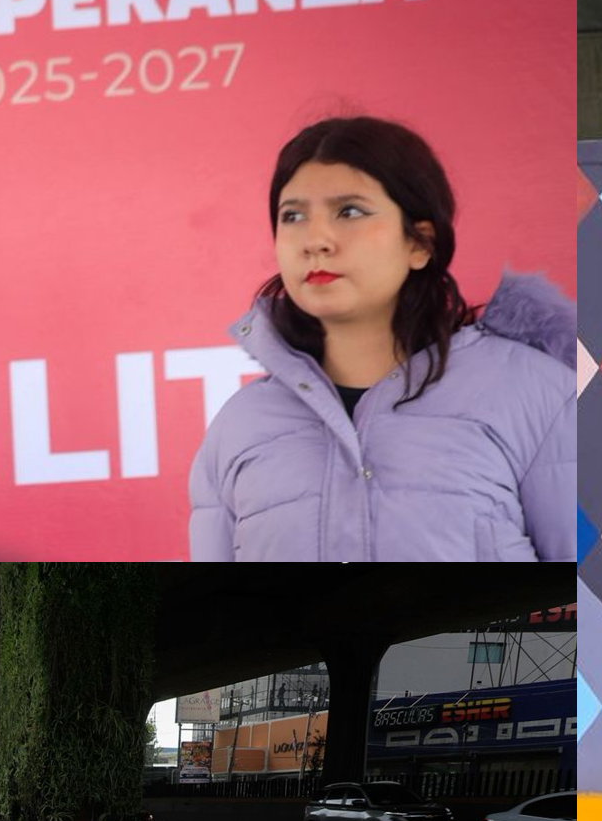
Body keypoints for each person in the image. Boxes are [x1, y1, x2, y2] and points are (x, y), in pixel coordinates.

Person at [188, 116, 575, 560]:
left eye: (349, 211)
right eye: (292, 215)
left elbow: (593, 604)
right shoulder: (240, 426)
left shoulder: (535, 394)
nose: (315, 240)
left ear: (421, 243)